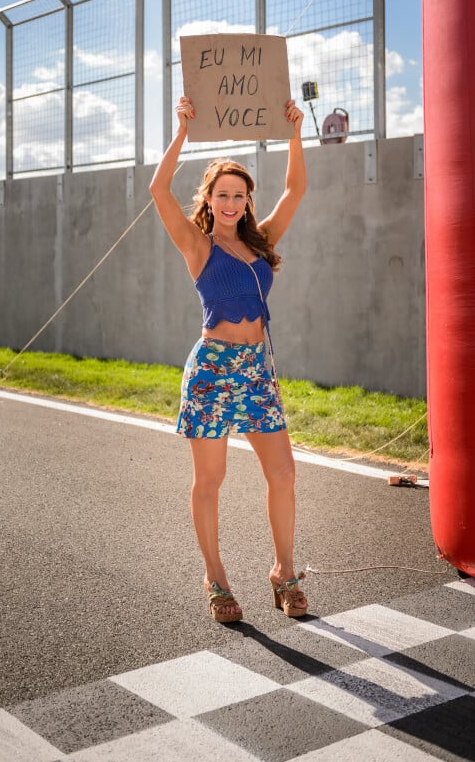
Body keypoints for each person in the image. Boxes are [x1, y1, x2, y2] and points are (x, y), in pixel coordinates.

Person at [149, 95, 307, 623]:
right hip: (213, 370)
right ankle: (216, 578)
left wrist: (293, 131)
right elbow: (157, 189)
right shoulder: (198, 247)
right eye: (223, 194)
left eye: (240, 195)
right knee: (210, 482)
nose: (232, 202)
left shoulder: (261, 245)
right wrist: (182, 132)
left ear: (246, 200)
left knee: (283, 473)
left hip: (255, 371)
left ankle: (284, 573)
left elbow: (296, 188)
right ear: (210, 199)